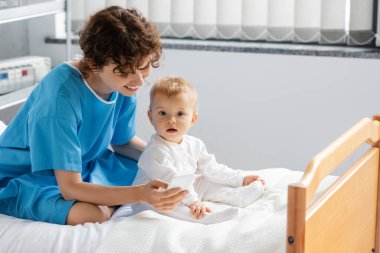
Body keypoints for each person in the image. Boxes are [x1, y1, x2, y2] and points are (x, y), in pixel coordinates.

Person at [0, 7, 188, 226]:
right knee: (91, 214)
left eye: (144, 66)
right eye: (125, 71)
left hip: (85, 164)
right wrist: (140, 194)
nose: (139, 80)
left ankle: (108, 196)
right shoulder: (60, 99)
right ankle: (105, 200)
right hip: (30, 177)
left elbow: (123, 142)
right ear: (93, 64)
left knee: (158, 174)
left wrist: (172, 156)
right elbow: (70, 189)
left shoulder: (124, 84)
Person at [133, 76, 266, 224]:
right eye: (163, 113)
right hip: (155, 196)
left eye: (180, 114)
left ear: (193, 119)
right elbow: (173, 181)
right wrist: (193, 202)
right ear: (151, 117)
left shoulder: (195, 144)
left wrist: (240, 178)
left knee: (205, 180)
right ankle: (204, 218)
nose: (171, 120)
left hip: (185, 187)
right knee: (167, 201)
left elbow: (212, 169)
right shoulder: (155, 151)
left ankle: (238, 196)